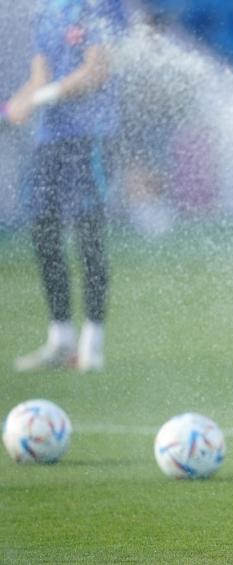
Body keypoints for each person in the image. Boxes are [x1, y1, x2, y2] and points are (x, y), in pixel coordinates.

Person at [6, 0, 125, 373]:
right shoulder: (46, 10)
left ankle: (93, 343)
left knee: (89, 233)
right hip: (49, 140)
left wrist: (39, 99)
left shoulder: (102, 6)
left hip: (90, 137)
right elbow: (41, 77)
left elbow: (96, 72)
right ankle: (60, 340)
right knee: (43, 231)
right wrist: (13, 108)